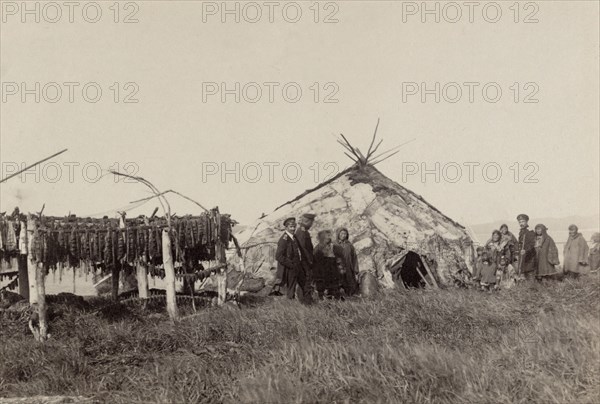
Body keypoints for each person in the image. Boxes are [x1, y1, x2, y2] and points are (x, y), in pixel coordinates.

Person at [272, 217, 304, 299]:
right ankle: (290, 305)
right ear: (286, 227)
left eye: (294, 226)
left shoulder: (294, 237)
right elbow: (278, 256)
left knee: (302, 285)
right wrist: (291, 264)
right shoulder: (284, 239)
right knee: (291, 288)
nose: (293, 229)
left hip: (297, 266)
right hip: (289, 268)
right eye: (291, 227)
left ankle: (303, 302)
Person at [314, 230, 343, 299]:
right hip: (322, 270)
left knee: (334, 283)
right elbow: (316, 261)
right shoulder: (318, 248)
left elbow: (338, 257)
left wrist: (340, 266)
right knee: (321, 284)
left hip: (332, 268)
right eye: (327, 236)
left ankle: (334, 296)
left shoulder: (334, 247)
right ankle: (321, 297)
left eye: (329, 236)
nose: (329, 238)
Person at [295, 213, 316, 300]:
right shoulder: (302, 232)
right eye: (311, 222)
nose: (311, 224)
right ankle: (307, 301)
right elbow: (303, 248)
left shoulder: (303, 232)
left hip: (305, 260)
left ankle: (304, 299)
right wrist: (310, 260)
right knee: (307, 280)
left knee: (305, 280)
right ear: (307, 222)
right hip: (305, 261)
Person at [336, 227, 359, 296]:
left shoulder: (349, 245)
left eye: (345, 234)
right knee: (339, 282)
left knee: (350, 281)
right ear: (338, 234)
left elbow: (354, 257)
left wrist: (356, 268)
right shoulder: (334, 245)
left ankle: (351, 295)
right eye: (341, 233)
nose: (343, 235)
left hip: (349, 267)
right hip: (338, 267)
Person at [516, 214, 536, 279]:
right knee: (523, 272)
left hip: (529, 256)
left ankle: (532, 287)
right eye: (520, 222)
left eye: (523, 221)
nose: (521, 223)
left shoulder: (530, 231)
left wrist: (526, 250)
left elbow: (532, 244)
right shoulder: (521, 231)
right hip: (522, 255)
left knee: (529, 272)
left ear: (527, 222)